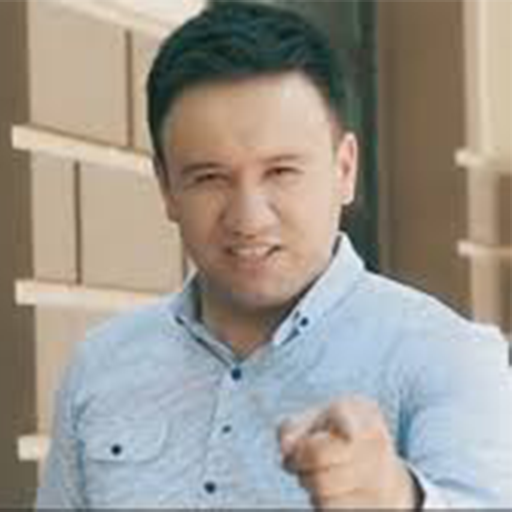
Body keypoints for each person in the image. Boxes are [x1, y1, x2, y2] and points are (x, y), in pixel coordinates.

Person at [36, 2, 512, 509]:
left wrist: (399, 498)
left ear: (345, 169)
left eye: (281, 172)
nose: (249, 218)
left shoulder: (446, 356)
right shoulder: (100, 366)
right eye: (209, 178)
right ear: (167, 188)